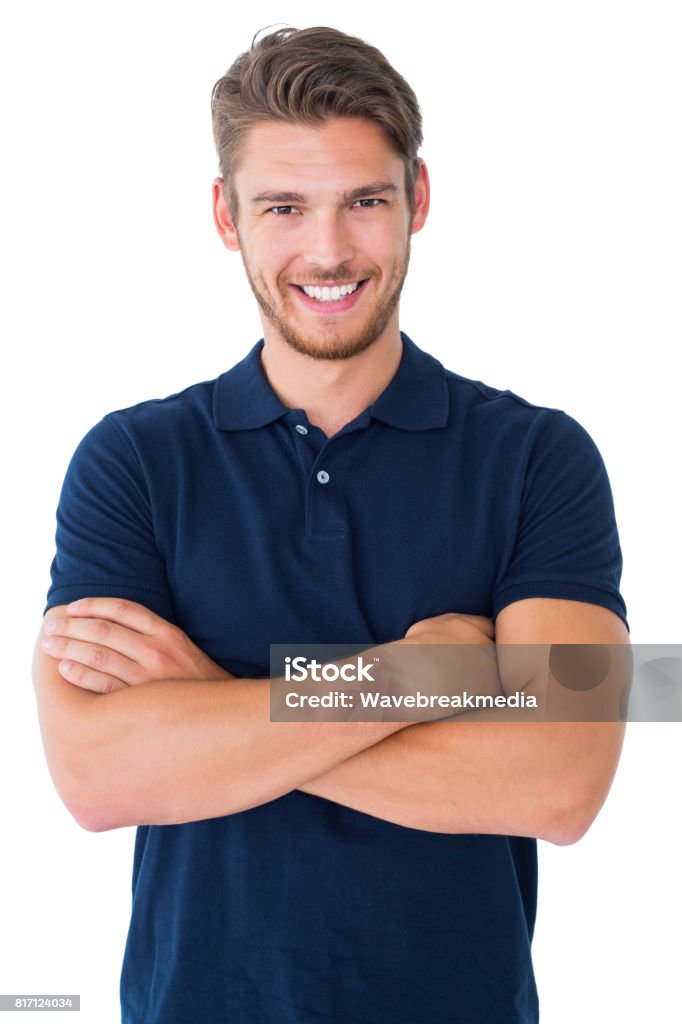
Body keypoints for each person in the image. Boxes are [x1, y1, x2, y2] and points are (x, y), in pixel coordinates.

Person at [32, 25, 630, 1024]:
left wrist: (217, 712)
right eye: (283, 206)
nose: (328, 249)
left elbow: (561, 782)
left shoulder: (541, 458)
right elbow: (96, 777)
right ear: (225, 216)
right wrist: (405, 680)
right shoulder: (131, 462)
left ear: (418, 201)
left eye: (364, 200)